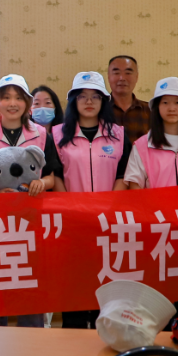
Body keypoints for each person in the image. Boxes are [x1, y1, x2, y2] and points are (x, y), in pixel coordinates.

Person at [0, 75, 59, 328]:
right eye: (6, 97)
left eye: (18, 98)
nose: (12, 103)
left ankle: (32, 343)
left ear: (27, 104)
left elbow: (51, 176)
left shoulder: (41, 135)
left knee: (31, 285)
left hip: (32, 222)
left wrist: (43, 184)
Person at [52, 72, 131, 330]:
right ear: (73, 101)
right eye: (82, 96)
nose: (89, 102)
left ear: (104, 101)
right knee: (74, 289)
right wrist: (72, 209)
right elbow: (56, 175)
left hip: (108, 223)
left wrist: (108, 209)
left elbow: (123, 174)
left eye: (95, 97)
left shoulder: (118, 134)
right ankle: (72, 344)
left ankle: (105, 340)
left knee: (106, 287)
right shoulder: (56, 135)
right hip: (72, 223)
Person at [108, 55, 151, 143]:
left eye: (128, 73)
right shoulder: (98, 109)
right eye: (116, 73)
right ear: (109, 76)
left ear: (136, 77)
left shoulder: (151, 110)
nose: (122, 78)